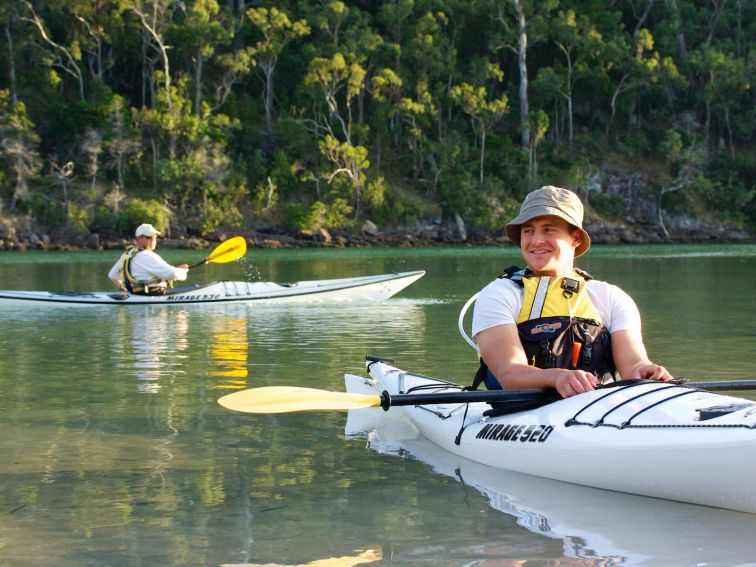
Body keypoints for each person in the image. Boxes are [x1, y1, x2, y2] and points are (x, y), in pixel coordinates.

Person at [472, 186, 671, 399]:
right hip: (517, 414)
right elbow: (509, 374)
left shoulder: (611, 297)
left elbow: (633, 365)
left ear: (575, 238)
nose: (536, 240)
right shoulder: (498, 295)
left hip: (597, 411)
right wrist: (557, 377)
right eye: (528, 231)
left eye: (549, 229)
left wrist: (646, 372)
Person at [108, 223, 189, 294]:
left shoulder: (128, 253)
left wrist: (125, 289)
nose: (153, 240)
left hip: (135, 295)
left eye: (154, 237)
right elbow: (173, 274)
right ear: (139, 238)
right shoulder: (147, 256)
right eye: (149, 237)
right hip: (151, 298)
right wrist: (183, 271)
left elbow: (112, 275)